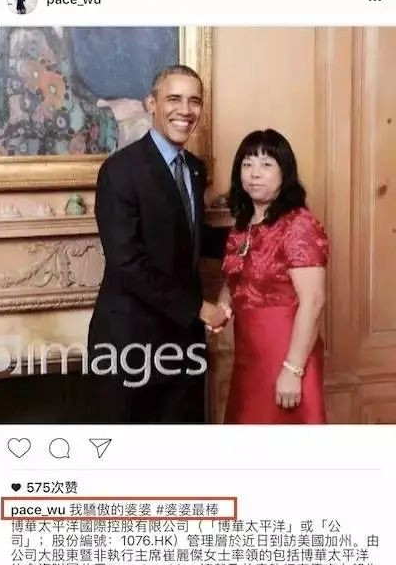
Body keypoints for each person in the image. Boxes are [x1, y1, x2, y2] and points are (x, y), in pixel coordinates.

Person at [87, 65, 228, 424]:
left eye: (194, 101)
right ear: (152, 103)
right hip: (130, 342)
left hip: (183, 343)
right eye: (174, 99)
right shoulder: (120, 170)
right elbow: (127, 262)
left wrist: (256, 237)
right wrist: (197, 308)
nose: (186, 110)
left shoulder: (194, 168)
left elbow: (189, 236)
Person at [220, 129, 329, 424]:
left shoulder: (298, 224)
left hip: (287, 353)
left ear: (285, 172)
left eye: (266, 164)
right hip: (249, 354)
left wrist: (293, 369)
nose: (254, 173)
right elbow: (235, 280)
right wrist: (222, 309)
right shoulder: (244, 224)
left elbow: (314, 301)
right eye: (247, 164)